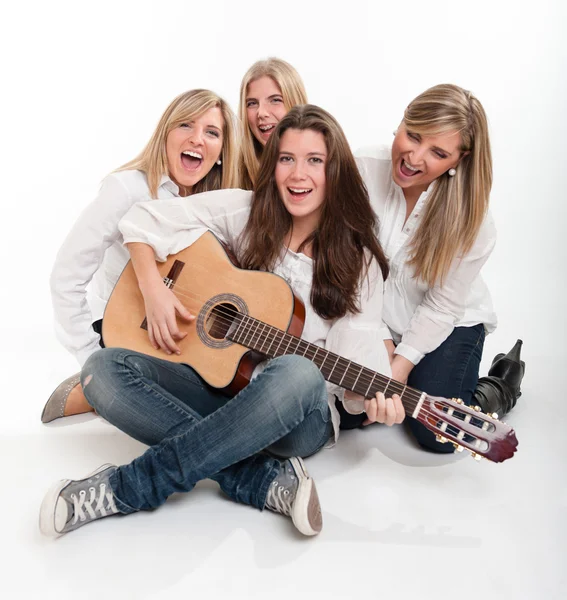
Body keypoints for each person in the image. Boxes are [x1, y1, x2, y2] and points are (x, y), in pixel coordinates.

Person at [39, 105, 404, 538]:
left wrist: (376, 395)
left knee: (300, 371)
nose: (297, 174)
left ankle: (128, 487)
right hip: (227, 392)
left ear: (336, 170)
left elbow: (355, 355)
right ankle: (258, 479)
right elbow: (143, 220)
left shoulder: (358, 260)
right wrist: (155, 290)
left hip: (298, 417)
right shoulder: (248, 211)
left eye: (314, 161)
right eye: (286, 159)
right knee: (101, 370)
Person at [41, 89, 239, 423]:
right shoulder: (127, 189)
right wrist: (92, 358)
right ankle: (94, 388)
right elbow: (66, 277)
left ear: (221, 151)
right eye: (185, 125)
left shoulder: (217, 203)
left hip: (189, 342)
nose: (197, 139)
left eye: (211, 132)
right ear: (165, 133)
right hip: (129, 339)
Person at [350, 84, 522, 452]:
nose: (414, 156)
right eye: (412, 135)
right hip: (373, 313)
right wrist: (380, 341)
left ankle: (497, 386)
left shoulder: (475, 223)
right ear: (401, 121)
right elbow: (351, 267)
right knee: (349, 409)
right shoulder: (362, 167)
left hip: (446, 323)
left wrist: (396, 371)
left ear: (459, 160)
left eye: (438, 152)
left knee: (437, 435)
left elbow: (441, 307)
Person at [238, 57, 307, 189]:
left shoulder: (328, 166)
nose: (261, 112)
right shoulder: (234, 174)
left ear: (296, 103)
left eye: (275, 100)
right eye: (252, 103)